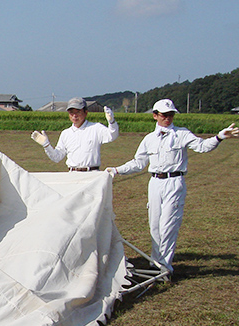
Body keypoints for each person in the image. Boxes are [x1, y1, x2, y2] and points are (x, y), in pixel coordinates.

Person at [106, 98, 239, 274]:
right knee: (155, 226)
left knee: (168, 226)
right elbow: (138, 163)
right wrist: (117, 170)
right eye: (164, 115)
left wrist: (219, 137)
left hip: (174, 183)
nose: (168, 118)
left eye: (170, 115)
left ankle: (164, 268)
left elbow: (202, 146)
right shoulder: (149, 139)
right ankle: (155, 265)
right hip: (155, 183)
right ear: (155, 116)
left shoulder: (182, 134)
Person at [31, 98, 118, 171]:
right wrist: (46, 145)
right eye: (71, 112)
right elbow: (56, 157)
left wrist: (112, 122)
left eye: (78, 112)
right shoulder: (66, 133)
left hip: (92, 174)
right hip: (73, 175)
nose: (74, 115)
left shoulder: (96, 128)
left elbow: (112, 135)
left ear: (86, 112)